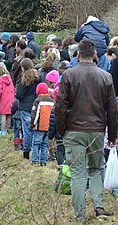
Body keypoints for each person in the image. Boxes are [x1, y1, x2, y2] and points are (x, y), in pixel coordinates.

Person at [56, 39, 117, 223]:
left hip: (74, 130)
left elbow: (60, 106)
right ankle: (99, 208)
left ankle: (80, 215)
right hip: (97, 130)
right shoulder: (106, 77)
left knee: (78, 173)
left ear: (78, 54)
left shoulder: (68, 75)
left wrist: (62, 130)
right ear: (95, 55)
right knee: (96, 169)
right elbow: (112, 109)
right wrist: (112, 136)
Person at [30, 82, 54, 166]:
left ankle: (35, 160)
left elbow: (35, 115)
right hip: (49, 126)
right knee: (45, 144)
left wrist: (32, 124)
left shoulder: (38, 101)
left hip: (39, 126)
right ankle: (44, 161)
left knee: (36, 143)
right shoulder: (52, 101)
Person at [0, 66, 14, 137]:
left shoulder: (0, 79)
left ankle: (2, 131)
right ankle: (6, 129)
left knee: (3, 114)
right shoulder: (9, 78)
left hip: (3, 99)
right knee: (8, 114)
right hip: (10, 98)